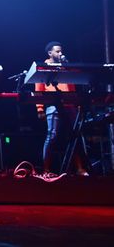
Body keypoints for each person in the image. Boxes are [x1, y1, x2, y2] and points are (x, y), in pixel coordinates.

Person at [35, 41, 89, 176]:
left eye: (61, 51)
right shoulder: (44, 67)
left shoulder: (66, 67)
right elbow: (38, 89)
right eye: (57, 51)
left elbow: (72, 85)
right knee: (52, 136)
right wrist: (40, 108)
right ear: (50, 53)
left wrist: (77, 103)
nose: (60, 53)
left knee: (74, 136)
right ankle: (46, 169)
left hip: (70, 105)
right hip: (53, 104)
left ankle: (80, 168)